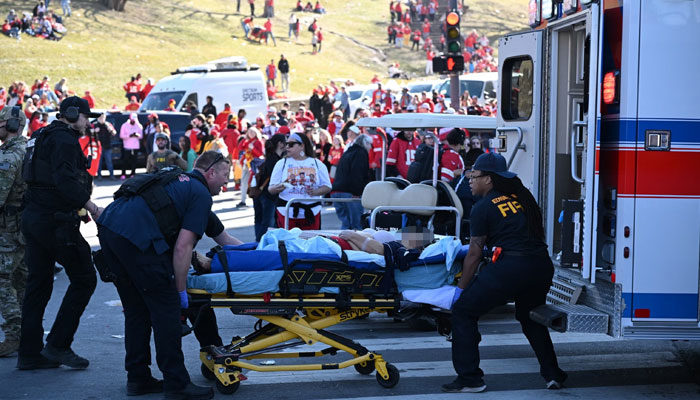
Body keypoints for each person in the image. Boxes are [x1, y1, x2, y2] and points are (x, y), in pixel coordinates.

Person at [97, 151, 239, 399]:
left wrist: (261, 250)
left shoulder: (179, 183)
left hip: (111, 232)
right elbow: (183, 248)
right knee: (167, 312)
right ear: (210, 173)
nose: (227, 181)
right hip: (137, 241)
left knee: (137, 310)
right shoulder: (200, 194)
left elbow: (224, 238)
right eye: (226, 175)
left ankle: (138, 378)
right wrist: (180, 292)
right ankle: (177, 384)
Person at [445, 153, 567, 393]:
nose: (469, 180)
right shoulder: (523, 198)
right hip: (541, 265)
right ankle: (553, 374)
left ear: (488, 179)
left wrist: (460, 291)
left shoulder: (483, 207)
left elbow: (474, 255)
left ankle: (470, 379)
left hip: (511, 267)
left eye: (474, 176)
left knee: (463, 312)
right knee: (530, 317)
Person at [18, 97, 103, 370]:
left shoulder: (39, 134)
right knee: (85, 278)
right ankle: (58, 345)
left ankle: (29, 354)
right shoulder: (64, 140)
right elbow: (65, 181)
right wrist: (91, 205)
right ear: (71, 113)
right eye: (86, 117)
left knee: (38, 284)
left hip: (34, 217)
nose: (88, 123)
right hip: (56, 221)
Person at [0, 107, 28, 357]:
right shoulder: (27, 148)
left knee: (2, 282)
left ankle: (14, 336)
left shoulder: (9, 155)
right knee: (20, 280)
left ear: (10, 125)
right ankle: (28, 334)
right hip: (23, 228)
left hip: (8, 230)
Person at [268, 132, 331, 230]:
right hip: (286, 211)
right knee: (289, 243)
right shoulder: (281, 163)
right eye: (286, 144)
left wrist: (316, 192)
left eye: (291, 144)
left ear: (302, 146)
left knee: (310, 242)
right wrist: (278, 188)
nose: (287, 147)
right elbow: (271, 188)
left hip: (312, 211)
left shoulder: (317, 164)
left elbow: (327, 186)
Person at [331, 134, 371, 230]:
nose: (370, 147)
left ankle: (342, 244)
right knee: (356, 226)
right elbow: (357, 173)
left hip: (336, 191)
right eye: (369, 144)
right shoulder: (361, 153)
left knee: (346, 225)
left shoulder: (347, 152)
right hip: (350, 193)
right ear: (365, 143)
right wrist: (357, 192)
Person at [253, 133, 286, 241]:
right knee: (268, 223)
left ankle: (258, 243)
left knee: (260, 220)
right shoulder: (276, 160)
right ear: (281, 144)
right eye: (286, 142)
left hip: (259, 193)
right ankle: (261, 244)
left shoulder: (270, 157)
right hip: (268, 196)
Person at [236, 127, 264, 207]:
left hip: (255, 165)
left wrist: (253, 148)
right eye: (249, 132)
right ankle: (243, 200)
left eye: (253, 132)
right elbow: (240, 148)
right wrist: (244, 139)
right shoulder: (247, 141)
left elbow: (260, 154)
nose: (251, 133)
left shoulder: (258, 142)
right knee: (244, 182)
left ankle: (256, 199)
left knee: (254, 183)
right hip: (246, 164)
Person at [119, 113, 142, 179]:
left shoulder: (139, 125)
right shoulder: (124, 125)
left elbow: (141, 136)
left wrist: (137, 135)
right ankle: (123, 174)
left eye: (134, 120)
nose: (133, 121)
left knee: (134, 161)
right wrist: (129, 136)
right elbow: (121, 135)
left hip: (135, 146)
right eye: (132, 120)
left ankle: (133, 173)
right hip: (127, 146)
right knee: (125, 160)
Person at [93, 113, 116, 180]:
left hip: (107, 146)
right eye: (100, 117)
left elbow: (114, 133)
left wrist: (111, 130)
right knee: (98, 163)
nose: (102, 119)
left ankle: (112, 175)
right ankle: (99, 176)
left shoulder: (108, 124)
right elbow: (87, 132)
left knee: (109, 162)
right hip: (98, 147)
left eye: (103, 117)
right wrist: (94, 131)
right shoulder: (94, 125)